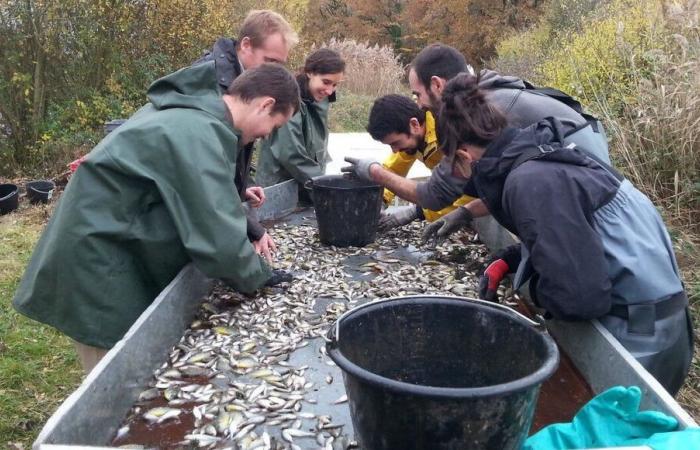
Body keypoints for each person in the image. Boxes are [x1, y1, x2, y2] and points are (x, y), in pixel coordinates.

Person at [13, 63, 300, 373]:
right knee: (117, 382)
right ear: (265, 105)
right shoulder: (199, 131)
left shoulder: (190, 113)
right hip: (97, 261)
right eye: (274, 126)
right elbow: (218, 238)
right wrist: (259, 275)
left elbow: (197, 193)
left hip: (111, 242)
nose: (266, 135)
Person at [424, 73, 693, 395]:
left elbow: (578, 299)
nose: (456, 175)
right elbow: (577, 236)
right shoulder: (543, 153)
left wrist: (527, 295)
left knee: (618, 439)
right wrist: (513, 260)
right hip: (661, 319)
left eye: (452, 165)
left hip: (642, 333)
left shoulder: (531, 181)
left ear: (465, 155)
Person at [344, 43, 609, 237]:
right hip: (582, 166)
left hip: (589, 179)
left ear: (437, 84)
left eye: (418, 94)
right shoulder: (483, 93)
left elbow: (433, 195)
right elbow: (499, 183)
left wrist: (373, 171)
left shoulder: (477, 113)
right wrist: (467, 212)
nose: (418, 104)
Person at [194, 9, 299, 262]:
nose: (274, 71)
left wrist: (245, 185)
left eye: (280, 65)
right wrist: (253, 229)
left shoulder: (245, 83)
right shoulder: (211, 85)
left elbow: (236, 152)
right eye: (270, 61)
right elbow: (208, 177)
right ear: (246, 45)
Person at [365, 94, 475, 231]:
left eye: (395, 143)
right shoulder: (414, 136)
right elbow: (393, 169)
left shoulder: (447, 135)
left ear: (414, 124)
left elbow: (471, 192)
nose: (394, 151)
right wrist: (380, 200)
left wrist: (419, 211)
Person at [255, 48, 345, 195]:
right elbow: (291, 155)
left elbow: (318, 150)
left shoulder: (319, 101)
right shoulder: (288, 100)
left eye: (335, 85)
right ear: (309, 72)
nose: (330, 91)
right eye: (326, 82)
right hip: (277, 191)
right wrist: (327, 187)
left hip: (306, 190)